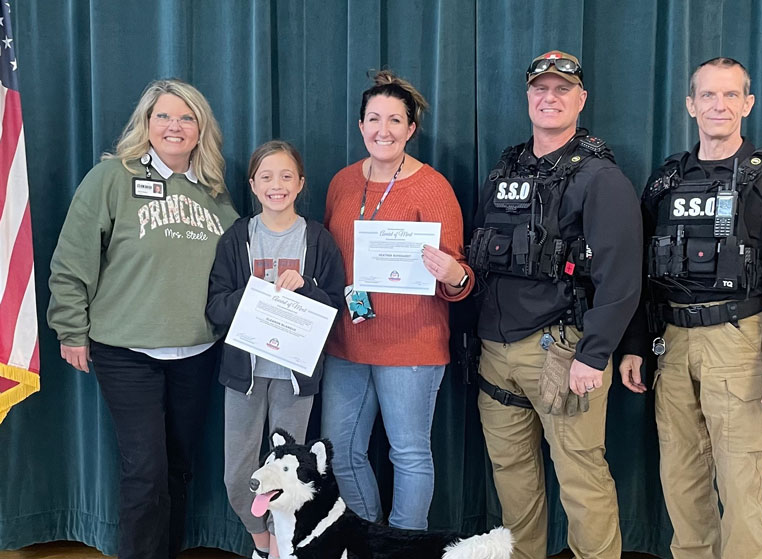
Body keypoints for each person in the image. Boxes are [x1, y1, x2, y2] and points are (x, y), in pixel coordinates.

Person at [619, 57, 762, 559]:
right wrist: (633, 346)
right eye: (708, 95)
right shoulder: (667, 179)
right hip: (672, 341)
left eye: (731, 95)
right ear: (690, 105)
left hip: (738, 340)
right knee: (681, 479)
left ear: (748, 104)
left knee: (740, 482)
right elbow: (639, 268)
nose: (719, 105)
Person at [47, 79, 239, 559]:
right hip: (126, 351)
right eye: (163, 117)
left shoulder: (214, 191)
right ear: (146, 124)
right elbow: (72, 259)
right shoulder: (112, 178)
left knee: (178, 468)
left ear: (201, 128)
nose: (174, 126)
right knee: (145, 473)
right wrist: (70, 328)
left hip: (196, 350)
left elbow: (240, 263)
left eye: (186, 117)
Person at [468, 50, 642, 559]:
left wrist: (595, 353)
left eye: (562, 89)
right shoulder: (504, 171)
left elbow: (622, 277)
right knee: (511, 475)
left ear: (580, 100)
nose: (550, 97)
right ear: (527, 97)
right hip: (495, 349)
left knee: (580, 473)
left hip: (561, 350)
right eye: (540, 89)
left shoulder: (600, 178)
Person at [321, 70, 474, 530]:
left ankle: (405, 548)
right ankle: (368, 539)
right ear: (361, 125)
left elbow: (460, 278)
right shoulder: (342, 183)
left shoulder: (434, 188)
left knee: (407, 453)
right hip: (347, 343)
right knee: (339, 450)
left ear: (411, 129)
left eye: (394, 120)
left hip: (412, 345)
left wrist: (454, 275)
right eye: (373, 119)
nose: (382, 130)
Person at [206, 140, 345, 559]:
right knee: (238, 476)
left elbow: (336, 302)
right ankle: (263, 545)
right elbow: (215, 305)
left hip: (294, 378)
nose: (276, 184)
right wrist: (252, 296)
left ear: (301, 183)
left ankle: (285, 550)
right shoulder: (237, 239)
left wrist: (308, 288)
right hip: (243, 377)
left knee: (290, 480)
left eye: (286, 176)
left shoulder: (318, 239)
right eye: (266, 176)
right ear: (252, 184)